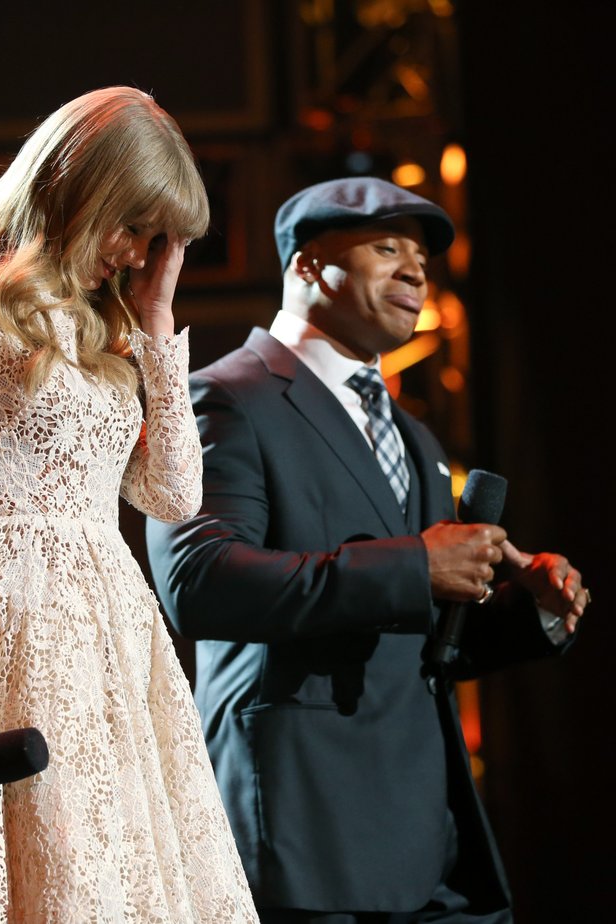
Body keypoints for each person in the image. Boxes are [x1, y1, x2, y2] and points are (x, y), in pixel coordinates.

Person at [0, 87, 258, 923]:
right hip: (13, 624)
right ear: (84, 188)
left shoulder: (101, 325)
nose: (141, 254)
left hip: (112, 636)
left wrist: (155, 322)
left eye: (158, 240)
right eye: (135, 227)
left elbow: (173, 494)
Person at [145, 177, 590, 923]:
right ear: (309, 266)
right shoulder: (226, 397)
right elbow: (200, 582)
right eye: (388, 248)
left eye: (421, 257)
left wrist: (532, 614)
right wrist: (418, 564)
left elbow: (421, 642)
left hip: (425, 839)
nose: (417, 271)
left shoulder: (413, 437)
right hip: (302, 829)